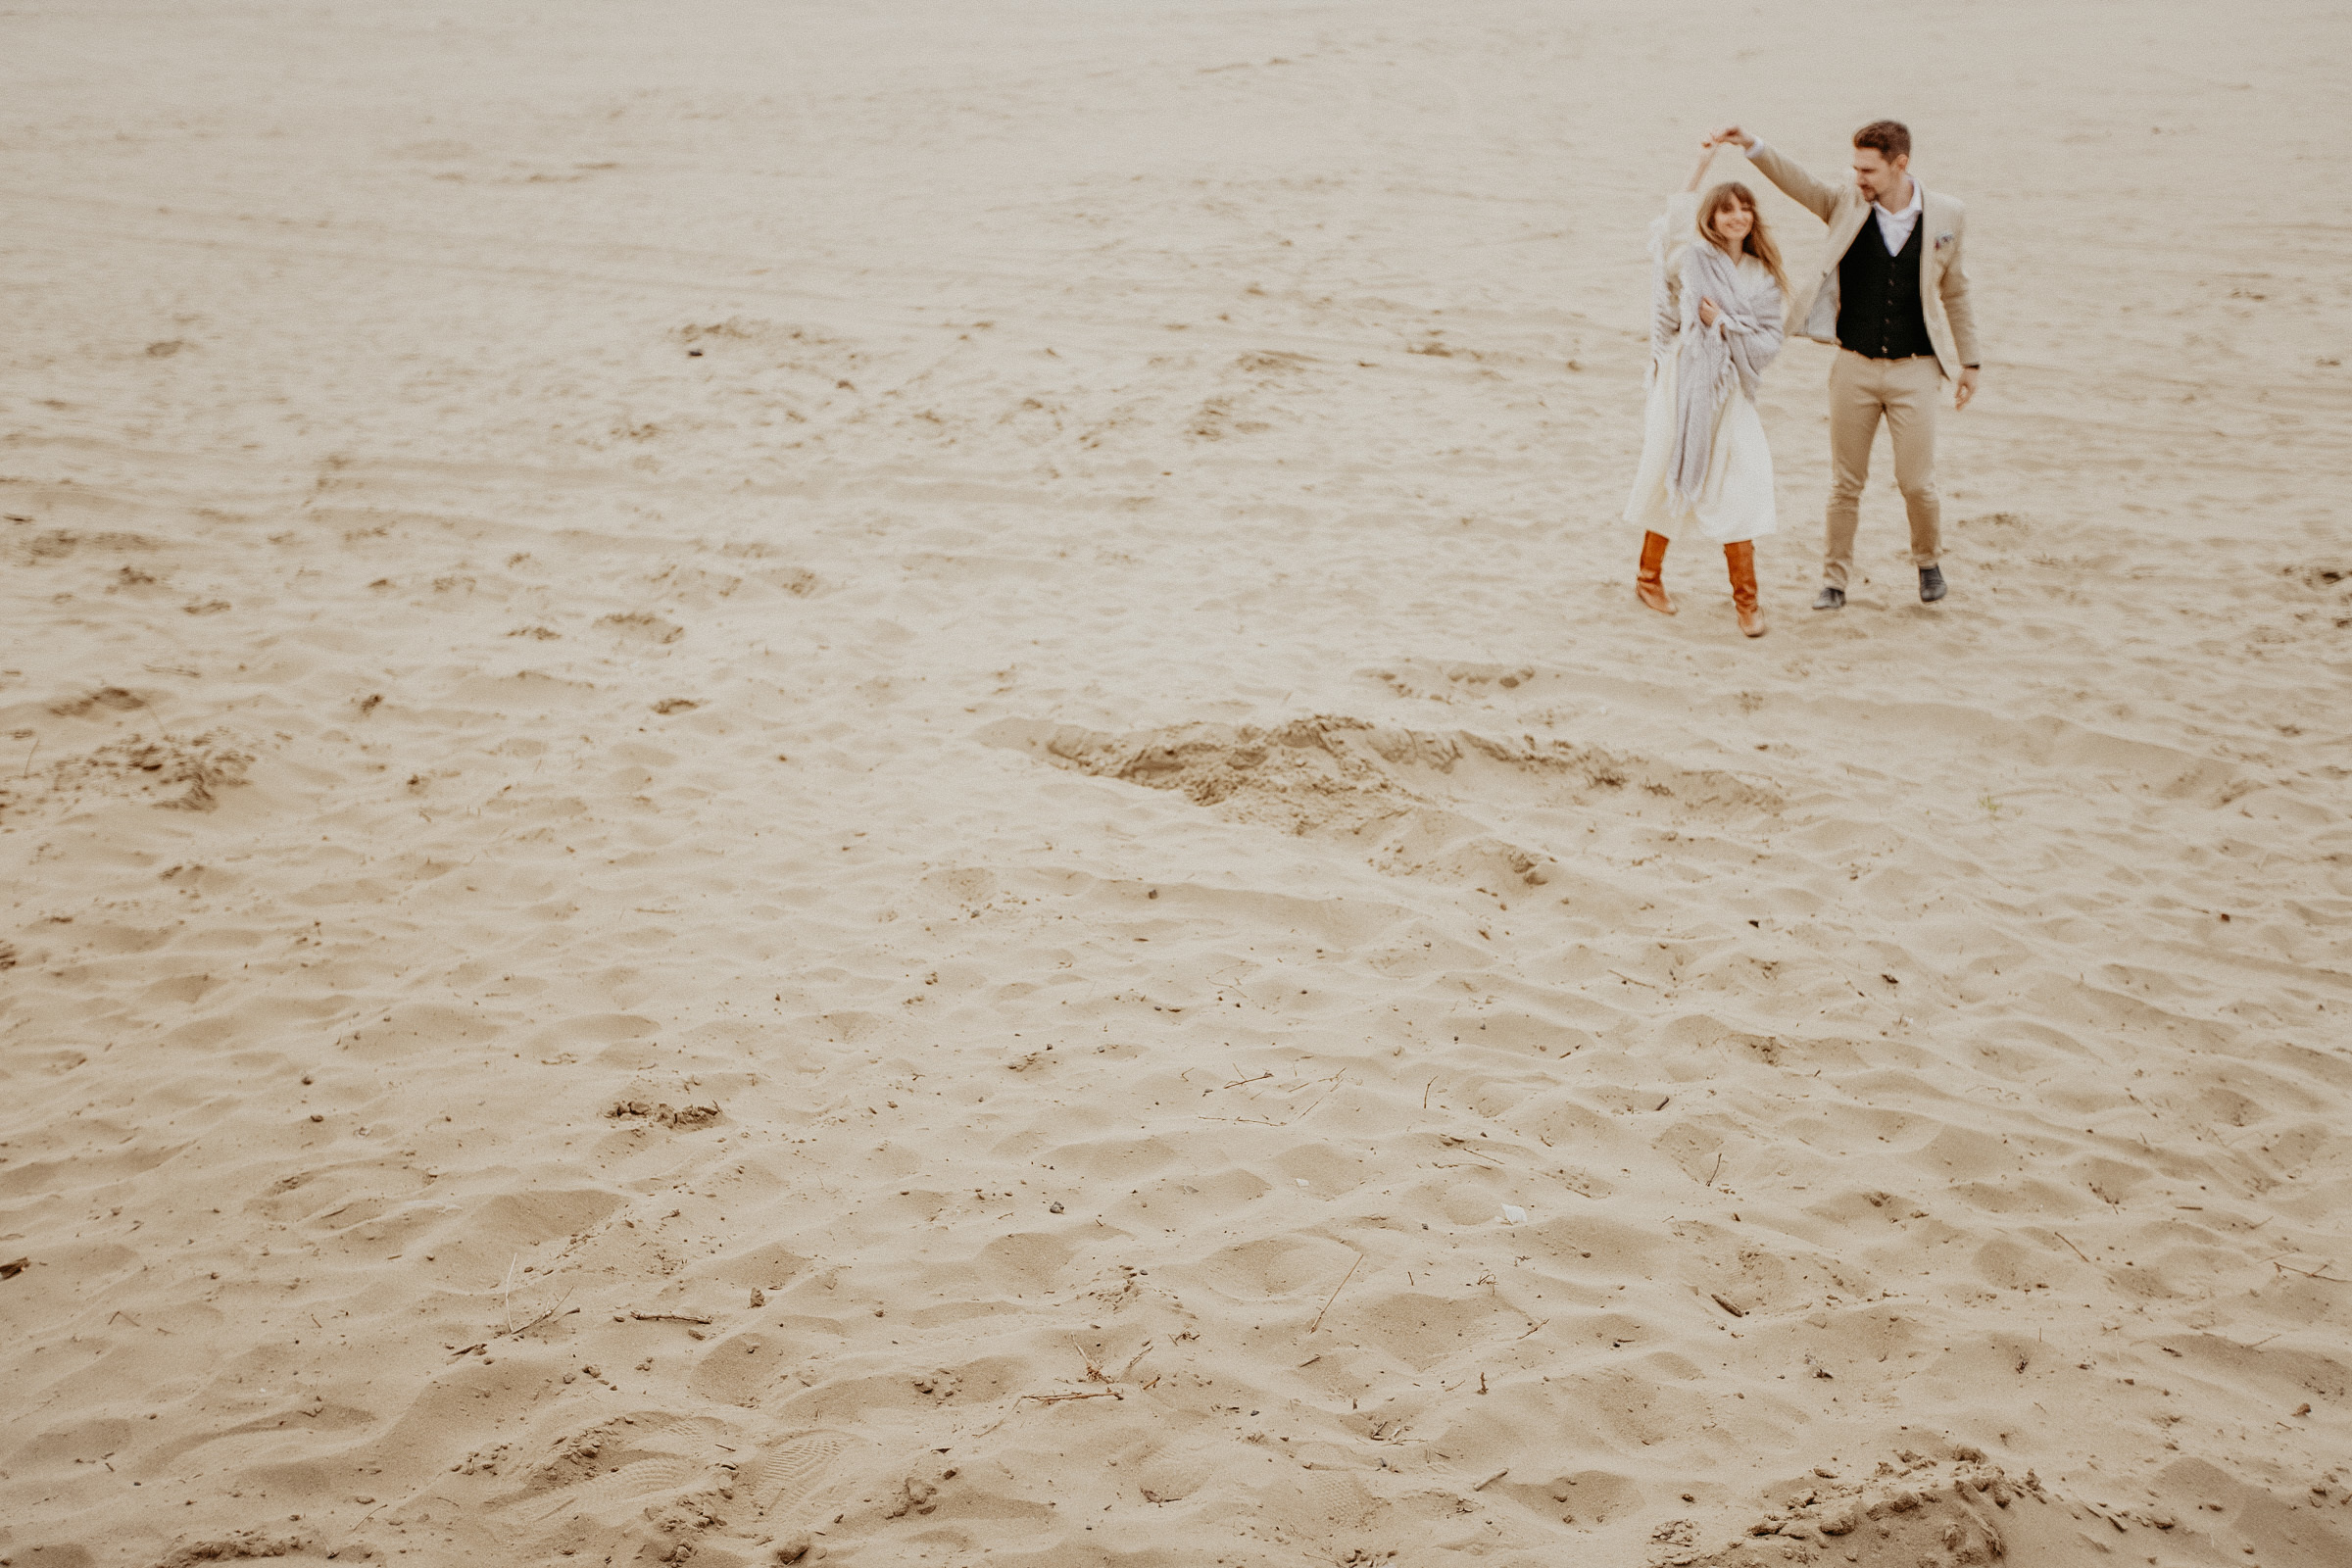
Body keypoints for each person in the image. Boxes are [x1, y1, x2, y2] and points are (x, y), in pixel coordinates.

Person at [1705, 121, 1981, 609]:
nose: (1859, 178)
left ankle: (1928, 562)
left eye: (1868, 169)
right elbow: (1800, 183)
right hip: (1853, 365)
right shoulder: (1846, 204)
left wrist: (1970, 362)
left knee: (1916, 482)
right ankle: (1834, 581)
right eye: (1855, 167)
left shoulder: (1947, 215)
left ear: (1901, 165)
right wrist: (1752, 146)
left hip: (1916, 368)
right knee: (1845, 482)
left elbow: (1954, 291)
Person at [1623, 143, 1788, 638]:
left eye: (1744, 208)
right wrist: (1701, 161)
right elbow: (1672, 221)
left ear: (1753, 216)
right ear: (1712, 218)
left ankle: (1747, 603)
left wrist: (1725, 325)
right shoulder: (1692, 258)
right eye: (1726, 209)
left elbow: (1768, 342)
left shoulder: (1764, 276)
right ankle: (1647, 578)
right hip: (1684, 381)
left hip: (1730, 388)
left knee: (1742, 481)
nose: (1737, 216)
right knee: (1667, 469)